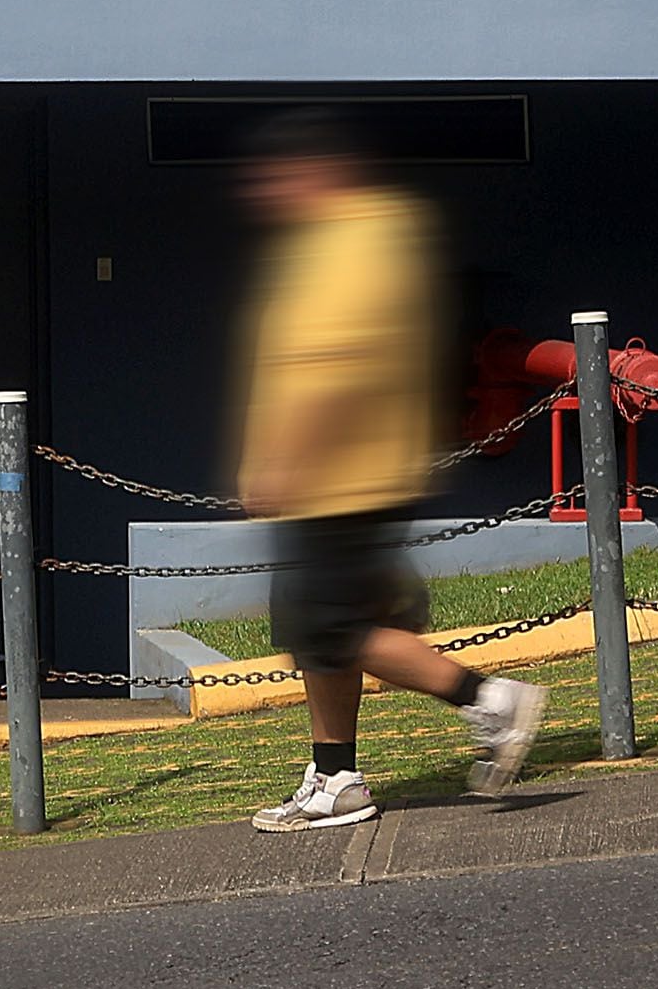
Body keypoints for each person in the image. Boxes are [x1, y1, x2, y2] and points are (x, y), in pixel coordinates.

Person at [232, 108, 546, 832]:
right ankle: (335, 776)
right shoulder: (334, 240)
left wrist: (285, 459)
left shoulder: (355, 242)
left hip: (338, 478)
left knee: (332, 628)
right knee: (322, 629)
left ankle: (489, 700)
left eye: (275, 177)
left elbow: (334, 364)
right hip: (336, 479)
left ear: (316, 171)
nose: (264, 192)